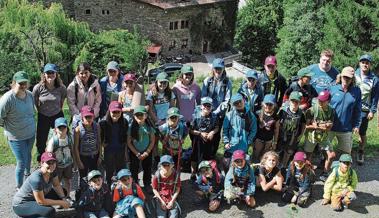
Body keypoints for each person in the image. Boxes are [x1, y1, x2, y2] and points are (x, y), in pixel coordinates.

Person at [0, 71, 35, 188]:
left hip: (30, 134)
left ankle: (27, 180)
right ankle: (19, 188)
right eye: (21, 83)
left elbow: (31, 113)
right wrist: (9, 128)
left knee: (28, 157)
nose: (24, 86)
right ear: (14, 83)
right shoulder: (7, 99)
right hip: (16, 137)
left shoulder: (30, 95)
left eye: (25, 83)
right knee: (21, 162)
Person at [12, 152, 71, 218]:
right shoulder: (36, 178)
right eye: (48, 163)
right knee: (49, 212)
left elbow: (57, 185)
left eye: (53, 162)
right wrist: (61, 202)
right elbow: (41, 201)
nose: (51, 165)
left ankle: (38, 209)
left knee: (63, 192)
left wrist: (63, 199)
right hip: (21, 204)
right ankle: (27, 215)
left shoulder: (53, 171)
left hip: (36, 197)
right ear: (42, 163)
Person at [32, 63, 66, 162]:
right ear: (44, 74)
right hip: (43, 115)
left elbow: (62, 101)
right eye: (48, 73)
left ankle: (60, 158)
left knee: (62, 136)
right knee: (41, 140)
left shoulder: (61, 87)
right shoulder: (38, 88)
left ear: (56, 74)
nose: (50, 75)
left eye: (52, 73)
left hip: (57, 115)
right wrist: (41, 111)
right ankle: (41, 160)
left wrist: (57, 109)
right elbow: (35, 102)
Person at [201, 58, 232, 157]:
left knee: (216, 135)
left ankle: (213, 154)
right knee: (206, 132)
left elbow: (227, 101)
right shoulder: (207, 81)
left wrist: (216, 112)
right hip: (207, 112)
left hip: (220, 114)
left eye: (220, 68)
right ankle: (204, 154)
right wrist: (208, 110)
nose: (218, 71)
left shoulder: (227, 83)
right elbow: (203, 97)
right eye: (216, 68)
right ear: (213, 69)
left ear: (223, 69)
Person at [303, 90, 335, 182]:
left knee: (332, 155)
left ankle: (325, 173)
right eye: (319, 100)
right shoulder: (311, 110)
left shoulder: (331, 110)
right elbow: (306, 126)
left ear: (328, 101)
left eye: (322, 100)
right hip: (311, 137)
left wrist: (319, 126)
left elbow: (330, 126)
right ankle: (308, 173)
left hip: (323, 137)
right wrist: (318, 126)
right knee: (308, 155)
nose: (320, 102)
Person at [329, 67, 361, 155]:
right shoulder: (332, 88)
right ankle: (324, 165)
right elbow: (324, 105)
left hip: (346, 128)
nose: (346, 79)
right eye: (344, 77)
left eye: (349, 78)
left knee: (346, 154)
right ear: (340, 77)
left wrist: (356, 125)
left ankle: (344, 168)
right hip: (330, 126)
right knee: (325, 151)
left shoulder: (357, 91)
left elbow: (357, 110)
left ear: (352, 79)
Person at [146, 72, 176, 167]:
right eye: (161, 82)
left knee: (166, 142)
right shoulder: (152, 93)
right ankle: (156, 159)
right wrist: (158, 121)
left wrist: (167, 120)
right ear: (156, 82)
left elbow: (172, 108)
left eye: (165, 83)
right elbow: (150, 109)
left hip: (166, 121)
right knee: (154, 141)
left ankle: (165, 160)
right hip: (154, 121)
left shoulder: (170, 93)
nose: (163, 85)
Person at [354, 54, 379, 165]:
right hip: (351, 108)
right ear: (359, 63)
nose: (365, 64)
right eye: (363, 62)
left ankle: (360, 151)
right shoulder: (353, 74)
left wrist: (372, 111)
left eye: (367, 62)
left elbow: (375, 96)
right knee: (348, 131)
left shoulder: (374, 79)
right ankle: (347, 152)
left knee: (362, 132)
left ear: (370, 64)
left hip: (364, 110)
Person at [222, 93, 257, 171]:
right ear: (233, 105)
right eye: (236, 103)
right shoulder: (229, 115)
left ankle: (238, 179)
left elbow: (253, 130)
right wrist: (226, 142)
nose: (239, 104)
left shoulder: (251, 116)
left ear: (244, 100)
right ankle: (227, 178)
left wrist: (248, 141)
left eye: (240, 101)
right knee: (226, 164)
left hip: (243, 146)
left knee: (241, 165)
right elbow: (225, 129)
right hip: (231, 146)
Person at [99, 101, 129, 186]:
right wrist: (101, 150)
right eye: (113, 112)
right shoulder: (103, 123)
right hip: (109, 150)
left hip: (120, 149)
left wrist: (126, 153)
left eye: (118, 112)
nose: (116, 114)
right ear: (109, 111)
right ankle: (109, 186)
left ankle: (120, 186)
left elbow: (126, 139)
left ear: (121, 112)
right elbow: (100, 138)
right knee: (109, 170)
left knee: (120, 169)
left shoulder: (124, 122)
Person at [189, 97, 220, 177]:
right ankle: (193, 172)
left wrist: (212, 132)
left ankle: (206, 173)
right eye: (204, 105)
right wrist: (200, 133)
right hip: (198, 139)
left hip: (209, 139)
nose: (206, 107)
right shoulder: (195, 116)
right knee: (195, 155)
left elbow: (217, 127)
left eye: (208, 106)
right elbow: (191, 130)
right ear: (201, 106)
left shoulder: (214, 116)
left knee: (208, 156)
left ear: (211, 107)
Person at [127, 106, 155, 191]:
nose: (139, 117)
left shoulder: (149, 127)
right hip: (135, 152)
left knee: (147, 168)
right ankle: (135, 184)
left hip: (147, 151)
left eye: (141, 115)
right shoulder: (131, 128)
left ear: (146, 116)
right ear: (134, 116)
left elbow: (152, 141)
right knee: (134, 169)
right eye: (137, 115)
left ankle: (147, 183)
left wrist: (147, 152)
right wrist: (137, 153)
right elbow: (129, 142)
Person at [45, 117, 74, 197]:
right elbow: (49, 154)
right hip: (57, 166)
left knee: (68, 180)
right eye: (59, 127)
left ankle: (67, 196)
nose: (62, 129)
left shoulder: (70, 138)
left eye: (64, 127)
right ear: (55, 129)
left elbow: (72, 150)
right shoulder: (53, 141)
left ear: (67, 128)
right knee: (57, 182)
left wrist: (74, 162)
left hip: (68, 163)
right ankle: (59, 197)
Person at [277, 91, 306, 167]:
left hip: (293, 137)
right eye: (293, 101)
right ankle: (276, 167)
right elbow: (277, 123)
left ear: (299, 103)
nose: (294, 103)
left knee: (288, 152)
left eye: (297, 102)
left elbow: (303, 125)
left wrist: (301, 135)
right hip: (281, 135)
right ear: (289, 101)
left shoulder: (301, 114)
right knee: (278, 151)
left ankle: (284, 166)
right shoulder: (283, 111)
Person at [73, 106, 102, 178]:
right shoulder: (78, 130)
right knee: (83, 177)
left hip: (95, 156)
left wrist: (100, 156)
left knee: (95, 176)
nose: (89, 119)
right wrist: (78, 161)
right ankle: (83, 189)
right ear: (82, 117)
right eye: (86, 117)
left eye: (90, 117)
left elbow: (99, 141)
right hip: (83, 157)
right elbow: (75, 147)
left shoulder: (97, 126)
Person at [253, 94, 279, 161]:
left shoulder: (275, 117)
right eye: (266, 104)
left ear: (274, 105)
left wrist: (275, 142)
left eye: (271, 105)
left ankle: (261, 168)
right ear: (263, 104)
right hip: (258, 139)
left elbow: (276, 130)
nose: (268, 106)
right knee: (256, 154)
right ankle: (254, 167)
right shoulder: (258, 114)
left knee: (264, 156)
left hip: (269, 140)